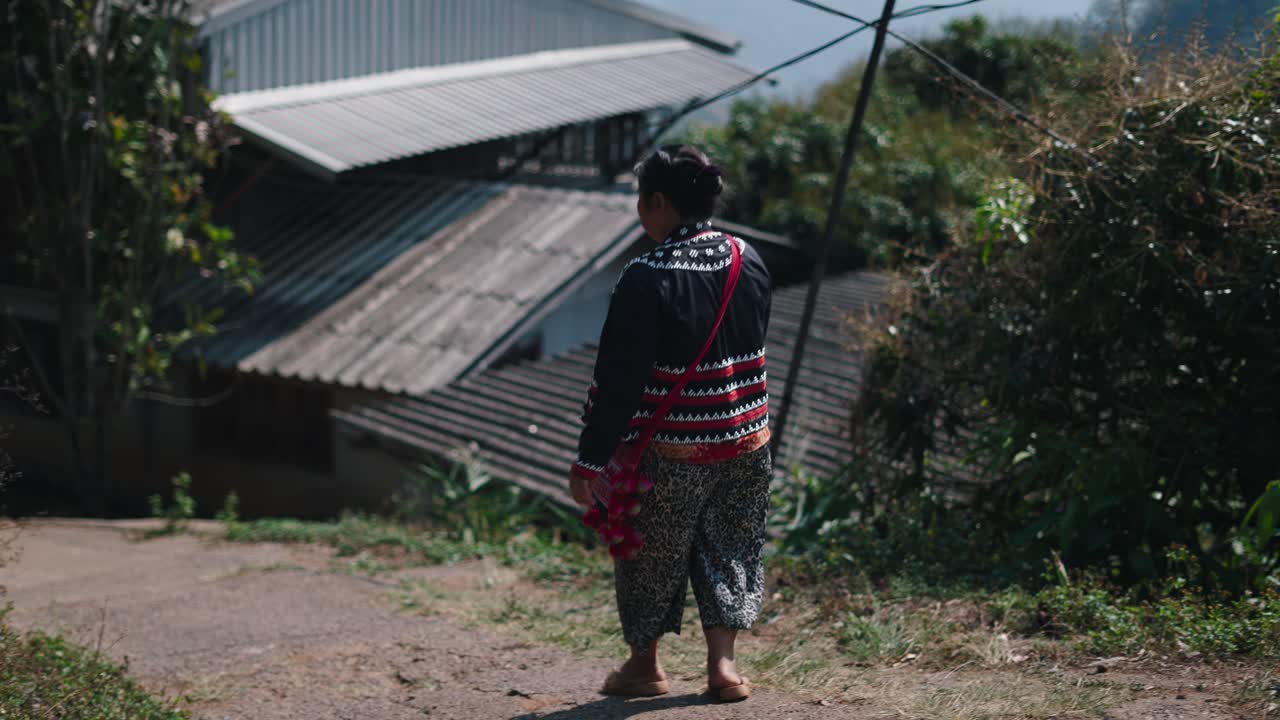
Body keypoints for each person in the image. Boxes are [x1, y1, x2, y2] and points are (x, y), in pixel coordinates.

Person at [568, 144, 773, 703]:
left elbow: (619, 380)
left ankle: (645, 665)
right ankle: (723, 666)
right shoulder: (746, 257)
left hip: (673, 448)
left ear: (658, 201)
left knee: (649, 553)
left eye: (641, 199)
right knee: (732, 543)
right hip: (748, 438)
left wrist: (589, 459)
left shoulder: (646, 275)